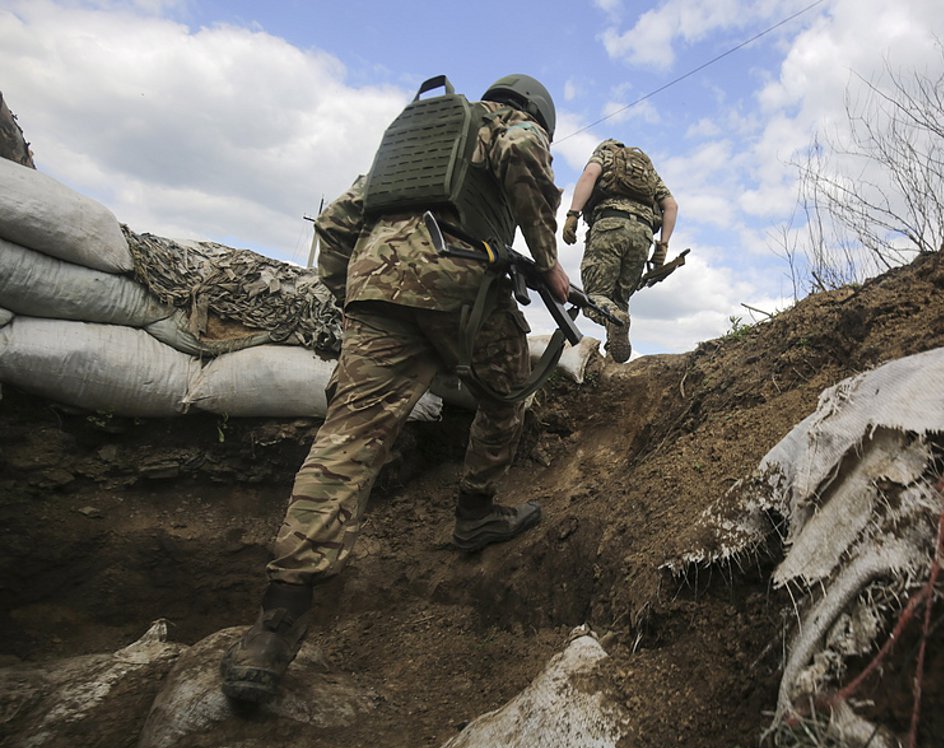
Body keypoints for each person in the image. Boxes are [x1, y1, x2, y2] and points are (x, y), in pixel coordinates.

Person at [220, 74, 570, 705]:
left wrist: (357, 300)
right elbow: (522, 153)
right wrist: (546, 260)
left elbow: (333, 224)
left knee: (346, 444)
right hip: (459, 279)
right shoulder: (511, 128)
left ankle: (273, 629)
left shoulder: (416, 142)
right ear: (540, 115)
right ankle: (475, 514)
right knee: (507, 392)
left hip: (373, 286)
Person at [562, 139, 677, 362]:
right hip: (643, 235)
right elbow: (671, 205)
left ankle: (615, 318)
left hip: (610, 226)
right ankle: (613, 361)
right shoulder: (648, 171)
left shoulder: (604, 155)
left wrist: (573, 214)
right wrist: (663, 246)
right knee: (620, 301)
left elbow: (588, 176)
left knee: (596, 297)